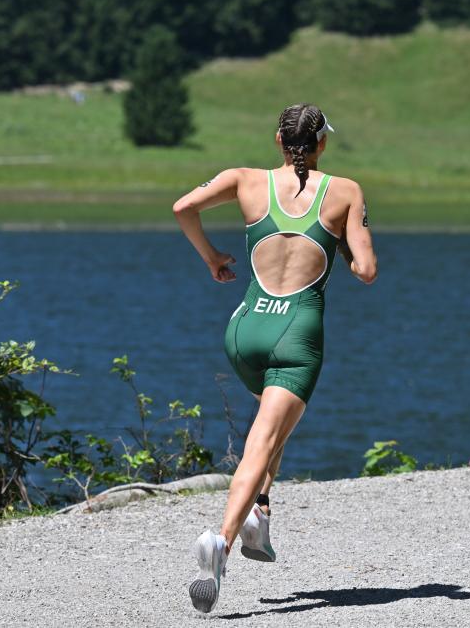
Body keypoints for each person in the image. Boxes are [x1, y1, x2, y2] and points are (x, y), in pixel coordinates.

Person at [172, 103, 378, 613]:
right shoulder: (345, 192)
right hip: (295, 335)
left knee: (272, 420)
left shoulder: (244, 180)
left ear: (278, 140)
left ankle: (259, 516)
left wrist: (214, 258)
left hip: (244, 331)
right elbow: (367, 270)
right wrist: (351, 250)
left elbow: (183, 208)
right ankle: (220, 542)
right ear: (322, 144)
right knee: (262, 443)